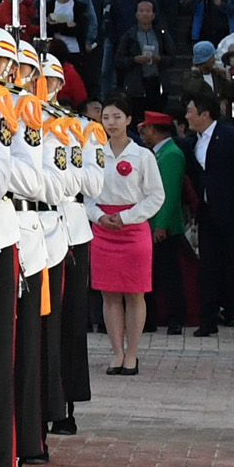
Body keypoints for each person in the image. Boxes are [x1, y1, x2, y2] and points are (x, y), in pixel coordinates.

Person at [87, 106, 161, 373]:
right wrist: (97, 216)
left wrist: (128, 217)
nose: (111, 122)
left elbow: (155, 196)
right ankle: (116, 352)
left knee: (134, 294)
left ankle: (132, 353)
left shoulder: (143, 156)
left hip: (133, 228)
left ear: (129, 119)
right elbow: (86, 193)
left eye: (118, 116)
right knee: (109, 295)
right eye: (106, 117)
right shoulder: (94, 153)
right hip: (103, 228)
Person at [182, 91, 234, 335]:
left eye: (190, 111)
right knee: (208, 267)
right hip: (208, 212)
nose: (187, 116)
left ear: (205, 114)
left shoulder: (230, 135)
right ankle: (208, 320)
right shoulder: (194, 140)